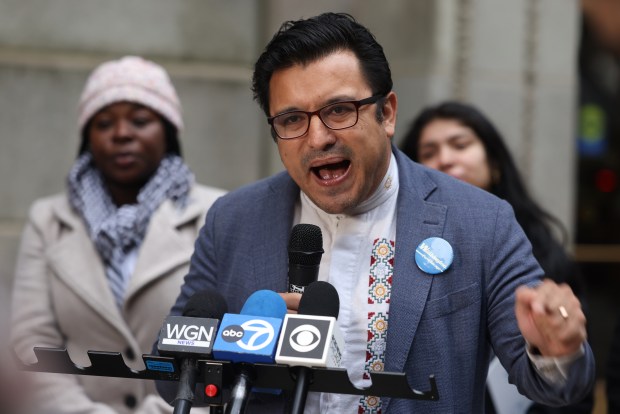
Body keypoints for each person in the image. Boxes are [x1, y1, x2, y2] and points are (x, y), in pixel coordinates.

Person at [158, 13, 595, 413]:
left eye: (338, 111)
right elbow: (170, 373)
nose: (317, 138)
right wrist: (242, 353)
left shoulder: (481, 221)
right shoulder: (232, 220)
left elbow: (556, 386)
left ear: (386, 113)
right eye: (292, 120)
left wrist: (558, 351)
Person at [10, 55, 226, 414]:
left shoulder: (216, 213)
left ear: (169, 131)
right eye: (104, 122)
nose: (122, 133)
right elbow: (31, 344)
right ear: (87, 136)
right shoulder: (47, 220)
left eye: (140, 120)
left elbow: (223, 346)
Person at [399, 101, 594, 413]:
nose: (445, 160)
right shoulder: (400, 250)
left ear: (495, 163)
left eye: (460, 145)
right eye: (429, 153)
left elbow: (570, 380)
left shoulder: (543, 256)